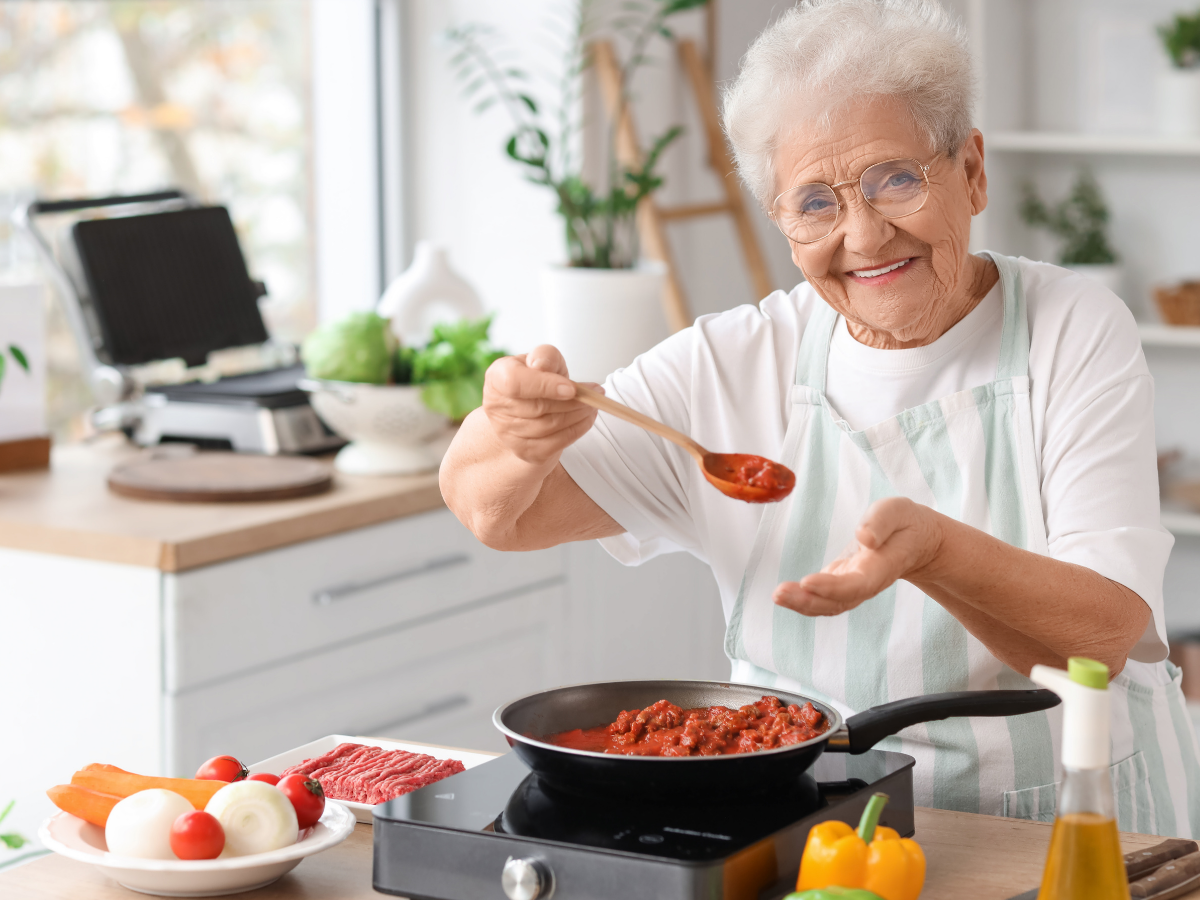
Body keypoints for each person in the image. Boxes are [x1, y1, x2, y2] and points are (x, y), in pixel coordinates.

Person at [440, 0, 1200, 835]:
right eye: (816, 202)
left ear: (973, 172)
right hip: (821, 832)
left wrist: (935, 552)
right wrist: (513, 434)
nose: (865, 235)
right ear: (781, 221)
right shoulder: (730, 363)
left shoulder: (1071, 327)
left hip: (1075, 820)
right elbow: (495, 511)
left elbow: (1098, 641)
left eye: (896, 180)